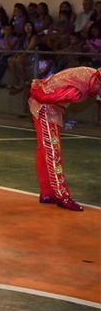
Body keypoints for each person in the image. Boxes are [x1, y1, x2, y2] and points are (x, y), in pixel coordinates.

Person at [27, 66, 101, 212]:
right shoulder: (77, 91)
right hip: (46, 109)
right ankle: (62, 196)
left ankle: (48, 193)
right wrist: (36, 87)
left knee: (45, 151)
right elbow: (43, 97)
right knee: (53, 152)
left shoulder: (90, 74)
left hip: (50, 109)